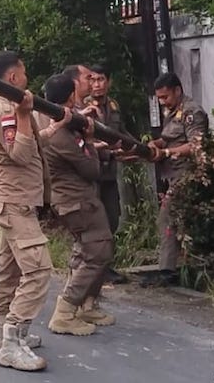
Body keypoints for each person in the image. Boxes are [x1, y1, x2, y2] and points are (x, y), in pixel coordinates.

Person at [0, 51, 51, 372]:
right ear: (12, 78)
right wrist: (25, 114)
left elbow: (32, 143)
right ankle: (12, 341)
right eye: (23, 73)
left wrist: (56, 126)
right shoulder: (3, 111)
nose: (26, 78)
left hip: (15, 201)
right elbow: (21, 154)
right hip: (14, 205)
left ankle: (1, 332)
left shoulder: (11, 109)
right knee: (38, 270)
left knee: (9, 270)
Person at [41, 74, 115, 336]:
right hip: (77, 202)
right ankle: (65, 311)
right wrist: (93, 146)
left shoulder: (65, 124)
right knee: (98, 253)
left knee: (87, 251)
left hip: (77, 200)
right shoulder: (61, 135)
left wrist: (94, 143)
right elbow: (91, 169)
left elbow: (84, 148)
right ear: (71, 96)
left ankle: (85, 305)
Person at [142, 72, 208, 287]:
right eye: (159, 98)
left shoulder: (192, 112)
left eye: (165, 97)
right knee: (172, 221)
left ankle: (167, 271)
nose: (163, 101)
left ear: (177, 91)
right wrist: (156, 145)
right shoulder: (173, 111)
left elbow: (196, 144)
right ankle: (174, 267)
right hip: (173, 175)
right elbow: (169, 137)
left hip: (187, 175)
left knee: (167, 219)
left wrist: (168, 153)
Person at [86, 64, 129, 284]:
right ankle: (93, 268)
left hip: (110, 173)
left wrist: (132, 148)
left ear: (108, 82)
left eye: (101, 79)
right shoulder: (82, 107)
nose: (96, 85)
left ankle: (106, 266)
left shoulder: (113, 106)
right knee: (95, 222)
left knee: (112, 219)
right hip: (91, 173)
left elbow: (121, 133)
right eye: (92, 80)